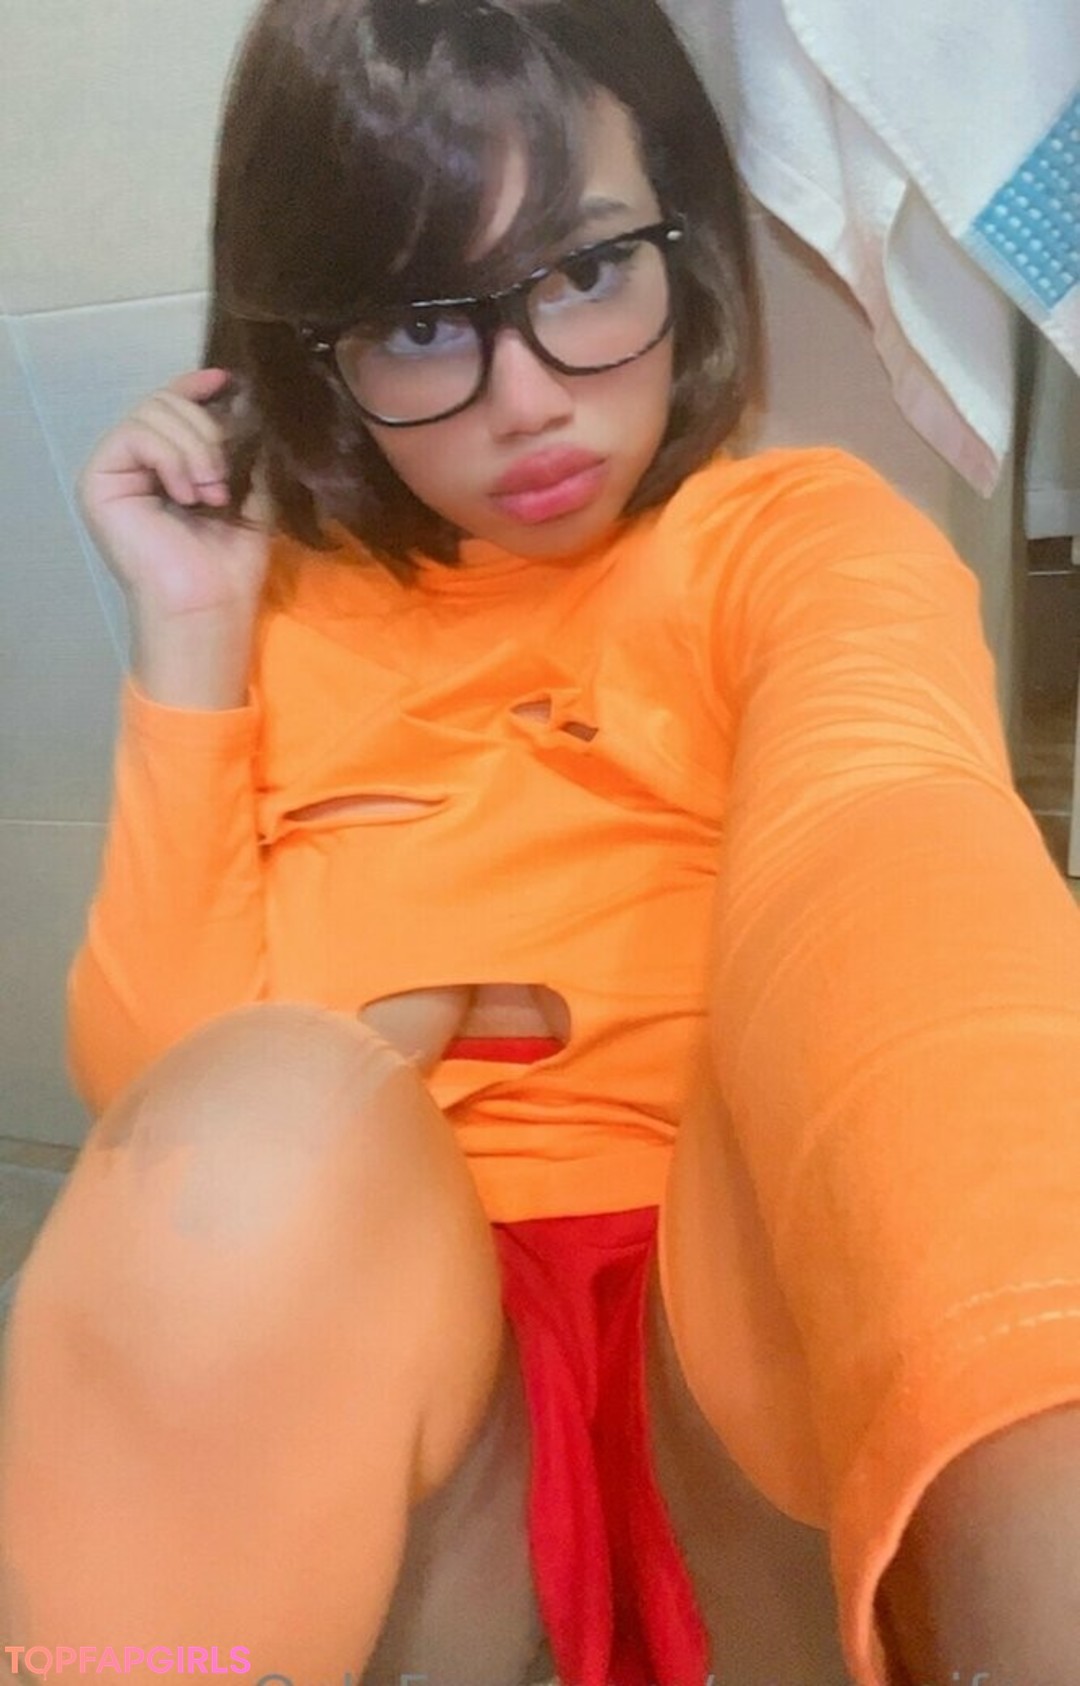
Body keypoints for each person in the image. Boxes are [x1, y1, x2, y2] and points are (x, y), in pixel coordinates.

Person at [2, 1, 1080, 1683]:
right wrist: (191, 639)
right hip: (414, 1418)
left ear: (679, 238)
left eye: (582, 272)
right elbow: (160, 1120)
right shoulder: (272, 616)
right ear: (313, 346)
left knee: (874, 1017)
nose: (526, 402)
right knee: (251, 1124)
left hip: (727, 1377)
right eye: (423, 321)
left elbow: (884, 850)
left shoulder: (791, 542)